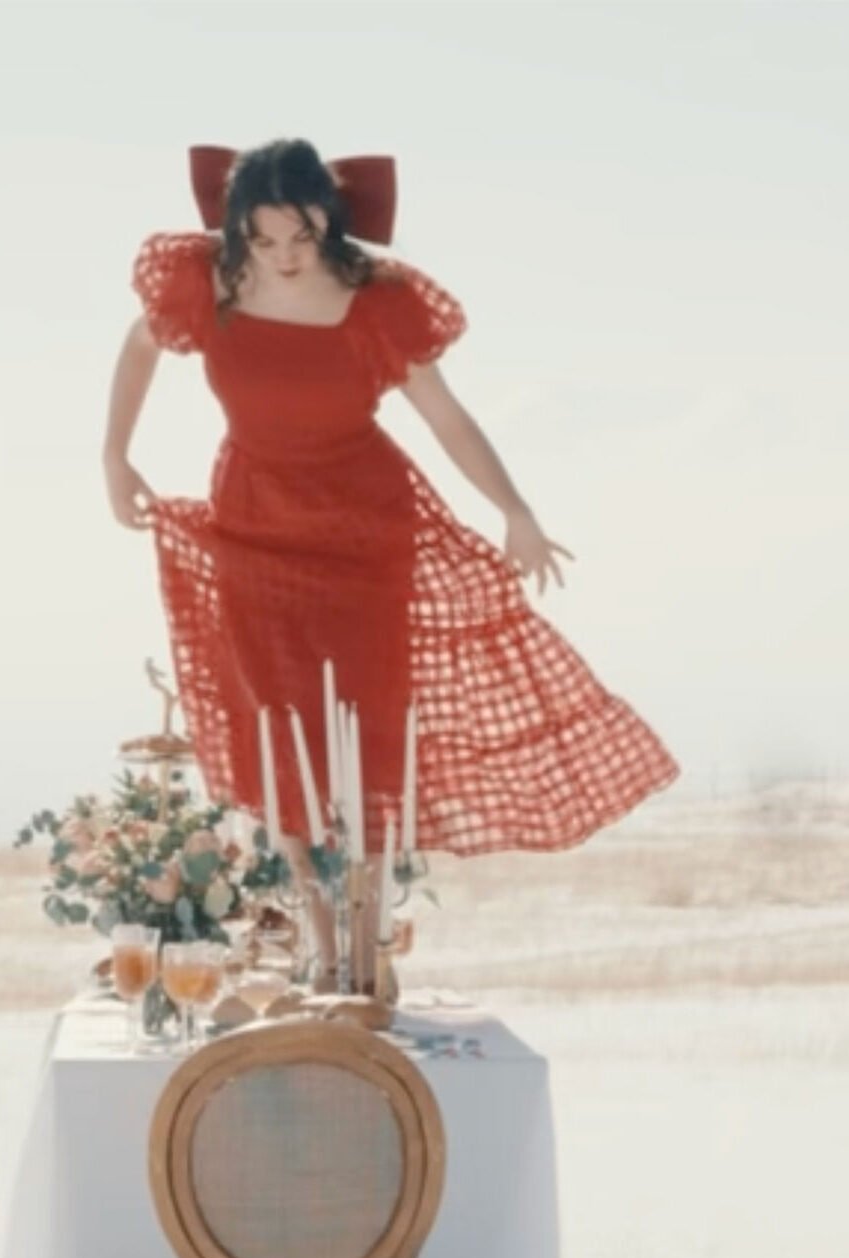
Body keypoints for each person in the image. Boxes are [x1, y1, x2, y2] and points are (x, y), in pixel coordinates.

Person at [103, 138, 679, 988]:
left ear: (328, 219)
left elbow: (445, 417)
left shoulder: (377, 300)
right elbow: (139, 346)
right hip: (252, 522)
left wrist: (513, 510)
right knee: (274, 727)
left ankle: (368, 943)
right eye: (263, 241)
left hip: (366, 531)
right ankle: (316, 931)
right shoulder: (211, 283)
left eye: (299, 237)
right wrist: (115, 456)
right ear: (239, 234)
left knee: (369, 736)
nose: (285, 258)